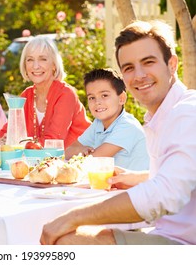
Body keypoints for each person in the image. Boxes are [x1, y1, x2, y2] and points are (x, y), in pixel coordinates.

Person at [40, 20, 196, 245]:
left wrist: (74, 217)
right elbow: (181, 177)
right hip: (165, 232)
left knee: (67, 240)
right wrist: (136, 178)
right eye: (129, 67)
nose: (139, 75)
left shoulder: (187, 113)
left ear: (172, 64)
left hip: (184, 244)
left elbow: (165, 194)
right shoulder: (160, 116)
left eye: (148, 62)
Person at [0, 35, 91, 148]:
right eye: (30, 60)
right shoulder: (26, 95)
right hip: (44, 161)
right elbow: (7, 133)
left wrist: (18, 144)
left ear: (54, 65)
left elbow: (53, 142)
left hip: (80, 160)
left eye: (43, 59)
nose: (35, 66)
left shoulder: (66, 94)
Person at [65, 68, 149, 170]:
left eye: (104, 95)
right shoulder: (98, 123)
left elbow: (93, 162)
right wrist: (81, 150)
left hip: (135, 185)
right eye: (92, 97)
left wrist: (82, 153)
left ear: (121, 98)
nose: (97, 102)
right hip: (111, 183)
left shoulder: (127, 126)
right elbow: (68, 151)